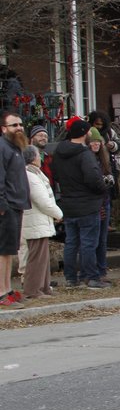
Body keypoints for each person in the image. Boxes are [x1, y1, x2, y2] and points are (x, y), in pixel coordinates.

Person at [50, 116, 108, 289]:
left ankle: (70, 278)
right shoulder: (84, 154)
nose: (91, 133)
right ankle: (91, 277)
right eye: (89, 130)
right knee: (89, 242)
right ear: (83, 133)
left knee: (71, 242)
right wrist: (103, 188)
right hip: (88, 204)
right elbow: (92, 178)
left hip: (69, 203)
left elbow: (57, 175)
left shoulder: (59, 152)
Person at [20, 145, 62, 299]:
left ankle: (44, 287)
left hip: (40, 221)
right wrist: (58, 213)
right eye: (38, 155)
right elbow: (42, 200)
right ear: (32, 157)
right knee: (36, 258)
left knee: (42, 258)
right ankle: (33, 289)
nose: (40, 157)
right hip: (34, 221)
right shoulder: (29, 176)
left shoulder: (35, 173)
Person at [1, 111, 30, 307]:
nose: (19, 128)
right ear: (4, 129)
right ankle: (2, 293)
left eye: (20, 124)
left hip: (16, 205)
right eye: (14, 125)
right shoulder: (2, 148)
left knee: (10, 251)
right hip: (6, 206)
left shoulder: (16, 148)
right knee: (2, 252)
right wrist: (2, 206)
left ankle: (8, 288)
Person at [87, 127, 116, 283]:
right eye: (93, 141)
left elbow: (109, 177)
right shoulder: (87, 158)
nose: (96, 144)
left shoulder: (104, 159)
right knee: (94, 239)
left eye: (98, 141)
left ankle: (102, 269)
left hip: (105, 201)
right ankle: (93, 272)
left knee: (103, 239)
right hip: (93, 203)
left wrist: (109, 180)